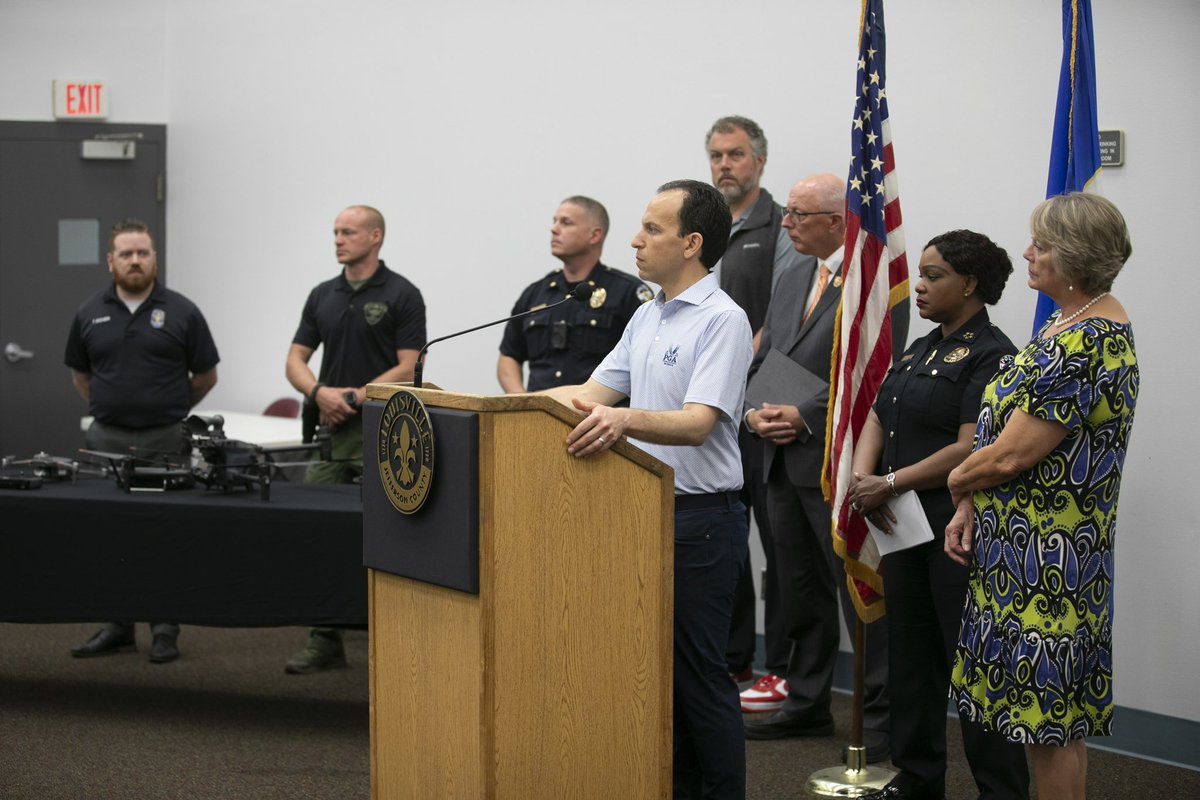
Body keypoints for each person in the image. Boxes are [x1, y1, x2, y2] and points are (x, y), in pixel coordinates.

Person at [543, 180, 753, 799]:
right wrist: (491, 408)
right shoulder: (647, 313)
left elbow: (697, 422)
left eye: (652, 229)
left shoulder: (723, 320)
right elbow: (589, 396)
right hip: (641, 512)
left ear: (692, 243)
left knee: (699, 675)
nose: (636, 240)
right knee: (653, 674)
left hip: (702, 521)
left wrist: (626, 419)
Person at [946, 193, 1138, 800]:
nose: (1027, 253)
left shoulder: (1086, 343)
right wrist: (973, 502)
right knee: (1047, 726)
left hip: (1048, 564)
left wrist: (957, 482)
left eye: (1042, 245)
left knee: (1049, 727)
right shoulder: (1067, 325)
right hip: (1022, 555)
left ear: (1075, 256)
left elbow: (1011, 454)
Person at [848, 230, 1029, 800]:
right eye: (921, 274)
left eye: (933, 276)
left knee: (970, 666)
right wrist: (862, 479)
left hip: (957, 526)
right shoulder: (921, 347)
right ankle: (918, 780)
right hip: (900, 521)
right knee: (911, 659)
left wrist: (891, 481)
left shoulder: (994, 353)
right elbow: (879, 413)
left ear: (970, 284)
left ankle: (1000, 789)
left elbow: (972, 444)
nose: (919, 287)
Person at [740, 174, 906, 764]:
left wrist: (806, 416)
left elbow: (875, 372)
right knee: (798, 589)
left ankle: (881, 719)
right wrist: (757, 411)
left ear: (838, 221)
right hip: (781, 460)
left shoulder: (876, 283)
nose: (785, 222)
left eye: (797, 214)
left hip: (839, 462)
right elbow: (769, 358)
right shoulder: (790, 278)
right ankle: (807, 701)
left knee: (859, 590)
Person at [64, 218, 220, 664]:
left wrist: (166, 408)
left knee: (163, 533)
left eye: (143, 253)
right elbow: (81, 375)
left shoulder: (183, 311)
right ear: (111, 260)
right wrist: (113, 407)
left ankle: (165, 629)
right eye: (127, 254)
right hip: (107, 439)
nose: (136, 261)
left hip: (164, 441)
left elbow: (206, 375)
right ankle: (117, 626)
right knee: (107, 534)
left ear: (154, 258)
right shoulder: (88, 311)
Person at [283, 204, 426, 674]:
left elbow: (409, 366)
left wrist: (355, 395)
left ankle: (394, 642)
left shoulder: (402, 293)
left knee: (387, 536)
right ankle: (324, 639)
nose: (339, 240)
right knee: (318, 532)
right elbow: (295, 359)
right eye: (335, 233)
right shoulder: (323, 294)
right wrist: (319, 393)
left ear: (375, 237)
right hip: (329, 433)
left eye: (348, 232)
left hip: (381, 435)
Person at [704, 116, 806, 703]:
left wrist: (744, 378)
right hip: (707, 408)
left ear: (759, 161)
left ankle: (783, 666)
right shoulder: (704, 228)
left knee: (779, 542)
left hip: (756, 401)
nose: (724, 165)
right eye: (716, 154)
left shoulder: (779, 226)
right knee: (722, 538)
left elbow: (781, 319)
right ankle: (732, 660)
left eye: (736, 154)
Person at [497, 195, 651, 392]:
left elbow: (646, 362)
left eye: (566, 222)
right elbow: (509, 355)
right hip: (536, 417)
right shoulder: (535, 293)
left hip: (596, 417)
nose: (554, 229)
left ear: (594, 235)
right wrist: (521, 403)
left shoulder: (627, 292)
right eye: (554, 221)